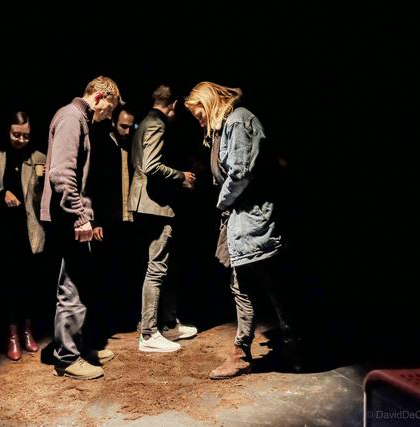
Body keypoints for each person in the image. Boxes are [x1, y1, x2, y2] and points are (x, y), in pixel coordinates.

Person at [184, 81, 302, 379]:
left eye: (199, 114)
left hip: (254, 220)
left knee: (273, 285)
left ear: (208, 103)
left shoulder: (239, 120)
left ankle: (296, 347)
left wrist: (221, 202)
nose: (199, 121)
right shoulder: (225, 126)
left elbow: (240, 173)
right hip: (241, 220)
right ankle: (242, 353)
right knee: (243, 286)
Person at [40, 76, 121, 380]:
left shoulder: (80, 119)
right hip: (67, 219)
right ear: (99, 97)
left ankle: (79, 347)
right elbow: (61, 173)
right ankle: (67, 358)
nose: (109, 116)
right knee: (71, 287)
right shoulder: (71, 118)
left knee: (82, 283)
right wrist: (79, 215)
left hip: (71, 217)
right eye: (109, 109)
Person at [128, 85, 198, 353]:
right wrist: (182, 176)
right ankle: (148, 333)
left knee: (166, 265)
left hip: (149, 204)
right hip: (154, 206)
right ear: (175, 105)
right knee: (157, 267)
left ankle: (168, 323)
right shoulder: (157, 124)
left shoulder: (145, 122)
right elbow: (151, 166)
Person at [0, 111, 46, 361]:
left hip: (29, 230)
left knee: (29, 282)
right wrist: (1, 193)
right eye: (16, 134)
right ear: (7, 131)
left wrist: (42, 183)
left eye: (26, 135)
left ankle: (27, 331)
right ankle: (12, 335)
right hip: (1, 229)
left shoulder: (38, 158)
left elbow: (42, 198)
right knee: (7, 284)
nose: (21, 140)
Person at [86, 106, 138, 333]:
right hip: (107, 221)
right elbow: (92, 184)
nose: (127, 131)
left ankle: (125, 319)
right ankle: (104, 324)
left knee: (127, 270)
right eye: (123, 126)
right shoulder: (101, 146)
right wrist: (95, 220)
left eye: (130, 127)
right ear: (114, 123)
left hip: (130, 220)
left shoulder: (132, 145)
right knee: (104, 272)